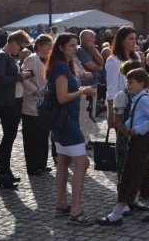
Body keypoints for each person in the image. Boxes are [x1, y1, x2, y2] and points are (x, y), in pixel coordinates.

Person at [96, 68, 149, 226]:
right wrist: (128, 125)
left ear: (141, 84)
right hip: (137, 140)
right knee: (143, 175)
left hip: (141, 141)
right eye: (127, 81)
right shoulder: (137, 97)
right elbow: (136, 117)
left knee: (127, 176)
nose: (128, 84)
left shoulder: (143, 99)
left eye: (131, 82)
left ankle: (117, 213)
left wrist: (137, 129)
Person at [47, 33, 98, 224]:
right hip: (67, 123)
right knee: (82, 163)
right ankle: (76, 210)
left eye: (76, 45)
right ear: (60, 47)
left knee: (63, 162)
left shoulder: (63, 65)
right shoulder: (60, 68)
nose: (75, 48)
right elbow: (62, 97)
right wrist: (83, 91)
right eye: (71, 45)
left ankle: (61, 204)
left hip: (64, 122)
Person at [0, 30, 33, 189]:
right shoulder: (1, 56)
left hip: (11, 100)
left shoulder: (5, 56)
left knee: (10, 137)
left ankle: (6, 170)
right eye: (21, 48)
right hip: (5, 101)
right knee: (8, 137)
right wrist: (19, 77)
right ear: (13, 42)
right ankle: (2, 173)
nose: (20, 51)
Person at [21, 34, 53, 175]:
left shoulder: (48, 59)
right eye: (48, 45)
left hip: (45, 103)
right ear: (39, 46)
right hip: (32, 104)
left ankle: (42, 163)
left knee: (43, 135)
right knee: (32, 136)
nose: (50, 48)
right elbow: (24, 79)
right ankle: (33, 166)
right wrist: (35, 91)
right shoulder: (31, 59)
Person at [106, 26, 139, 131]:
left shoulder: (136, 57)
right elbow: (111, 89)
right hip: (123, 105)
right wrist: (111, 113)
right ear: (121, 41)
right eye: (130, 39)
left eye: (135, 39)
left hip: (138, 103)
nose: (134, 41)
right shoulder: (114, 61)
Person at [75, 30, 104, 148]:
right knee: (83, 114)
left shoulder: (91, 50)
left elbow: (101, 62)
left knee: (91, 113)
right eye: (92, 39)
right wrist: (99, 66)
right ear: (86, 40)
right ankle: (83, 139)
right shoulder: (80, 51)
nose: (95, 40)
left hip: (93, 85)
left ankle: (87, 136)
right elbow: (91, 66)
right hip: (85, 87)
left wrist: (93, 50)